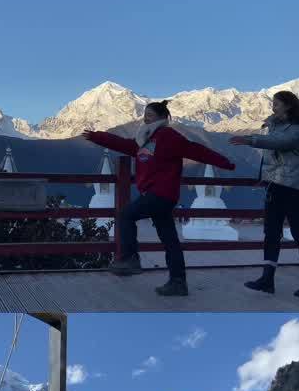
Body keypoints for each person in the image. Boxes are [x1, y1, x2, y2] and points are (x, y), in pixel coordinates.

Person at [83, 101, 235, 297]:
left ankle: (130, 259)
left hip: (161, 193)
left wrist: (225, 163)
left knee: (126, 215)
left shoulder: (168, 136)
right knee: (170, 240)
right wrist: (97, 137)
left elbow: (196, 150)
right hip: (156, 194)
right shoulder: (144, 139)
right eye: (145, 115)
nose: (146, 118)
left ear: (162, 118)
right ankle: (178, 282)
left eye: (150, 115)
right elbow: (124, 145)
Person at [228, 91, 299, 297]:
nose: (273, 107)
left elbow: (280, 142)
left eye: (277, 104)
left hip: (292, 186)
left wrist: (250, 140)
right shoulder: (275, 126)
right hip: (275, 184)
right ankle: (267, 278)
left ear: (288, 106)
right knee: (271, 231)